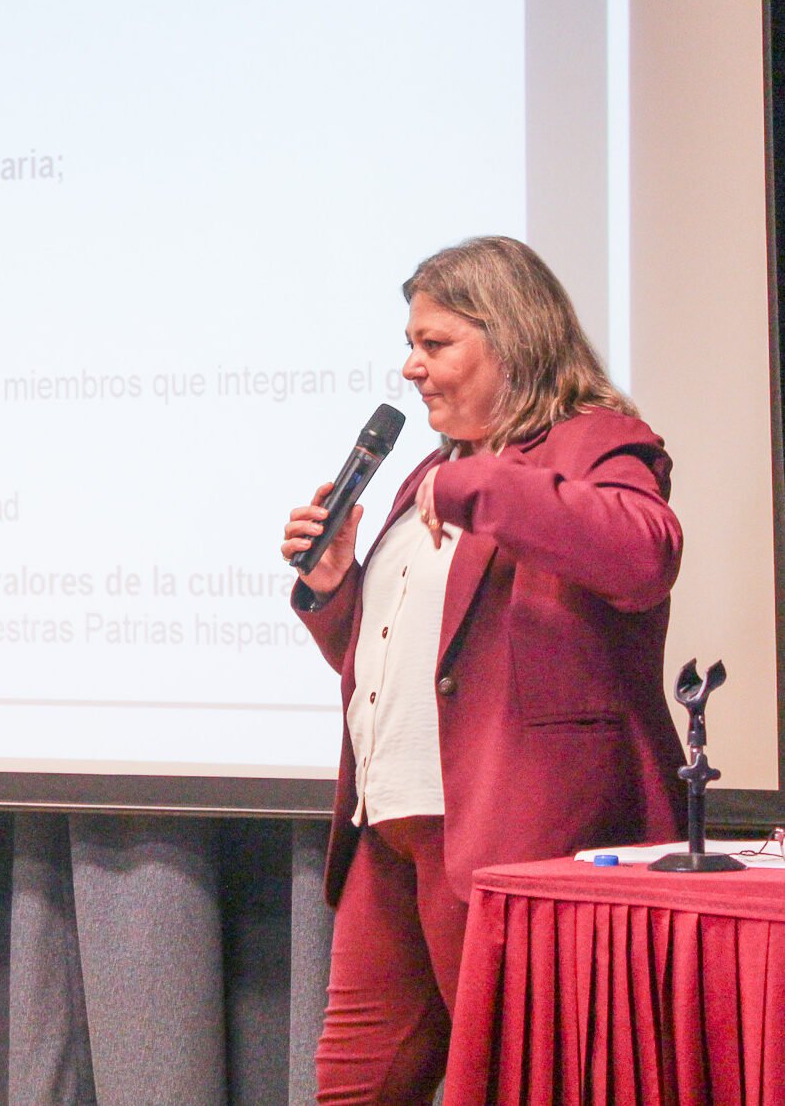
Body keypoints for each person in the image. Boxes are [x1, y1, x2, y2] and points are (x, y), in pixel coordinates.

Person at [280, 236, 686, 1106]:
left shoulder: (596, 444)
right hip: (387, 826)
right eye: (410, 344)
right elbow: (398, 655)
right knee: (352, 1088)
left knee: (512, 1084)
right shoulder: (430, 470)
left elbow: (643, 555)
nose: (410, 367)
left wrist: (489, 485)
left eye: (434, 343)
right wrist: (332, 590)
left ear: (510, 335)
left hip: (509, 831)